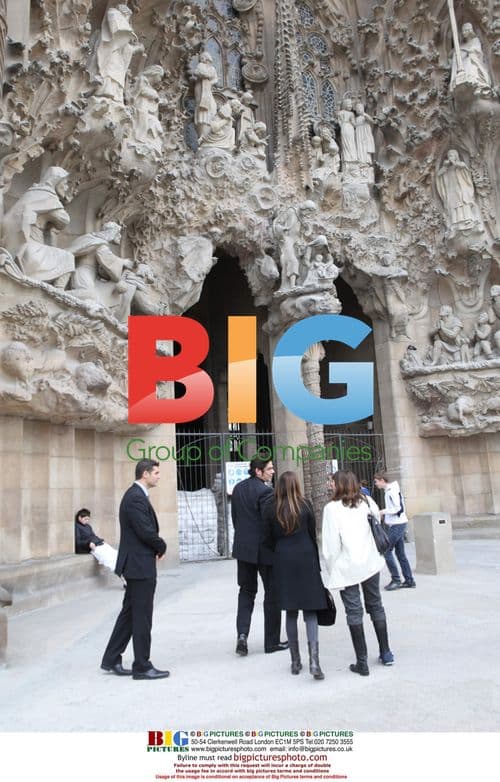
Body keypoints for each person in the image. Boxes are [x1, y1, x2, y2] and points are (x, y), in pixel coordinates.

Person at [101, 459, 169, 679]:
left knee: (130, 614)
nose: (159, 476)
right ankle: (142, 666)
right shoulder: (135, 498)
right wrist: (161, 546)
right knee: (142, 616)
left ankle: (111, 658)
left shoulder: (136, 496)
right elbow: (145, 531)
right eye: (156, 472)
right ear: (145, 474)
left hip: (137, 564)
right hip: (139, 566)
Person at [322, 471, 394, 676]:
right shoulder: (366, 501)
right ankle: (386, 652)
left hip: (347, 567)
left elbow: (331, 546)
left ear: (340, 485)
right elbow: (377, 524)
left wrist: (332, 568)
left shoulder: (331, 509)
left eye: (332, 481)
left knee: (354, 612)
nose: (330, 484)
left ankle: (362, 662)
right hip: (370, 562)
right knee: (376, 605)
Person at [262, 472, 327, 679]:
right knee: (310, 612)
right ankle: (314, 662)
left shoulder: (272, 508)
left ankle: (295, 660)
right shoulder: (305, 505)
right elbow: (311, 532)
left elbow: (267, 539)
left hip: (284, 560)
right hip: (306, 558)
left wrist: (280, 549)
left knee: (290, 612)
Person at [231, 458, 287, 656]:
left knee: (246, 592)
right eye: (269, 468)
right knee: (271, 594)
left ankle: (242, 635)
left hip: (243, 549)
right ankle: (271, 642)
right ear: (258, 471)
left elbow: (235, 519)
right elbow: (269, 522)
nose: (273, 471)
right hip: (264, 551)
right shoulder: (265, 492)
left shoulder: (237, 489)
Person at [373, 472, 416, 590]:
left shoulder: (391, 491)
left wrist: (382, 512)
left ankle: (396, 579)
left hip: (397, 524)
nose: (376, 484)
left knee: (386, 551)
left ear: (382, 480)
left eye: (376, 481)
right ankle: (409, 580)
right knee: (400, 553)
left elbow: (398, 508)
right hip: (398, 524)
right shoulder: (391, 490)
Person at [74, 507, 122, 580]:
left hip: (94, 544)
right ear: (79, 518)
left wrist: (99, 540)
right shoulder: (76, 527)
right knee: (108, 558)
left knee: (112, 552)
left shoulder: (88, 526)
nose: (87, 521)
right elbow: (77, 542)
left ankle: (123, 570)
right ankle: (122, 577)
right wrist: (88, 543)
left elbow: (93, 536)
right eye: (85, 519)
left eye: (88, 519)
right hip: (87, 547)